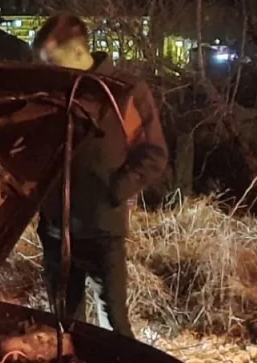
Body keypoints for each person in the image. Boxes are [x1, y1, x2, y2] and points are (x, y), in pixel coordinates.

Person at [31, 14, 168, 338]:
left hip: (103, 231)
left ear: (79, 54)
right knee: (63, 327)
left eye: (54, 62)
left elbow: (153, 153)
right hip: (55, 231)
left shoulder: (124, 93)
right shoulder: (51, 92)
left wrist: (114, 190)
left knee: (115, 326)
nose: (50, 71)